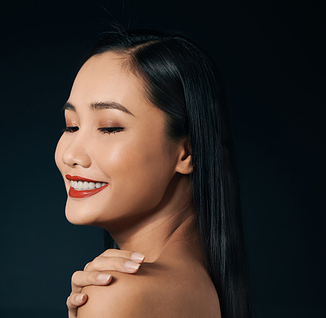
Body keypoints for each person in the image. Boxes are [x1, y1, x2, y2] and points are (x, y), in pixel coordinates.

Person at [54, 28, 251, 318]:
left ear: (186, 152)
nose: (71, 155)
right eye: (71, 126)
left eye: (109, 127)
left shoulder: (119, 293)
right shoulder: (198, 286)